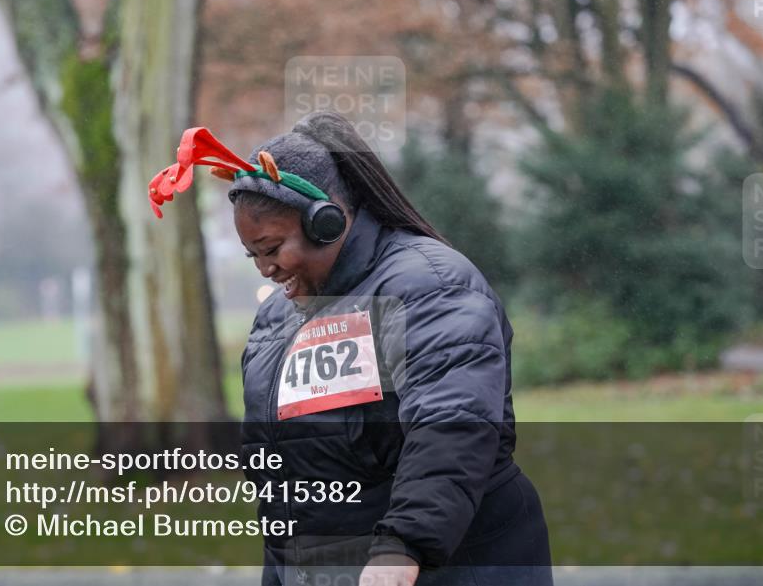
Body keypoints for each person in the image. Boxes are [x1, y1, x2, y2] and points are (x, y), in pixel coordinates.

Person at [149, 111, 552, 586]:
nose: (265, 270)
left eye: (273, 248)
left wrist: (402, 548)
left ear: (327, 223)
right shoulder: (276, 318)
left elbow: (451, 425)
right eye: (252, 254)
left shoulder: (428, 286)